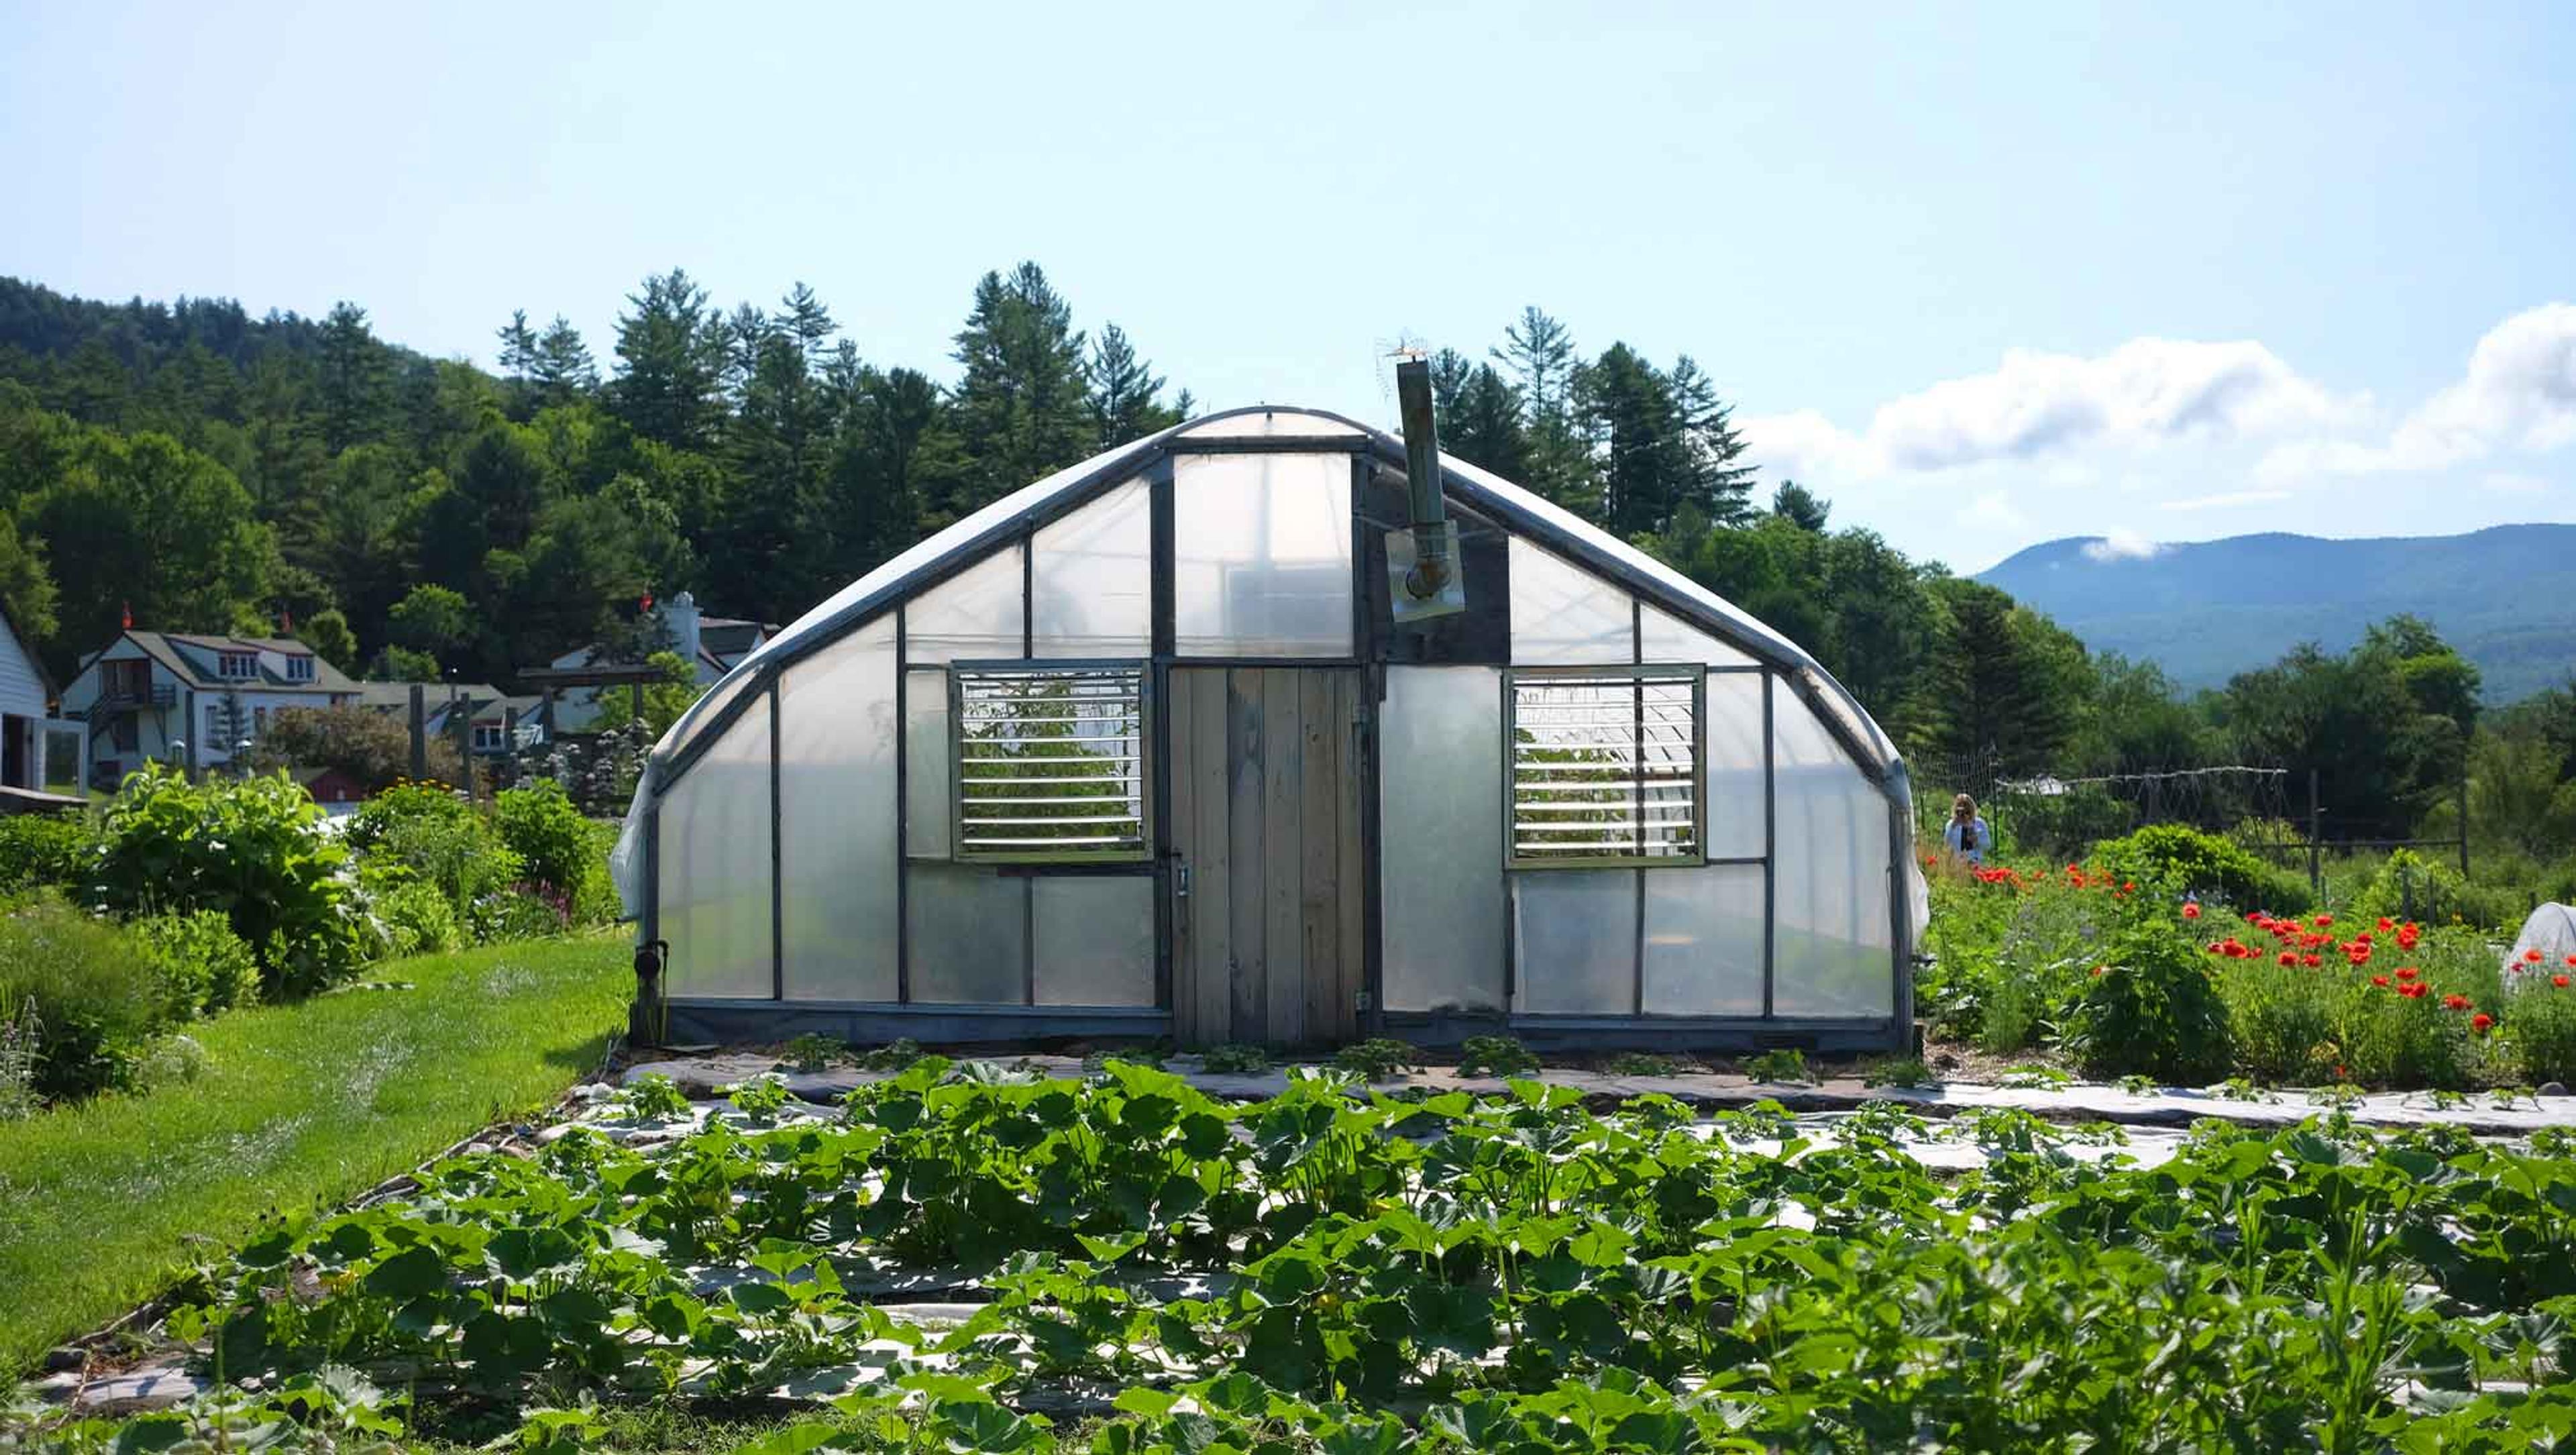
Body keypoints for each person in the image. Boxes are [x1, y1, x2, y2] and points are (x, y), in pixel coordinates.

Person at [1943, 794, 1990, 865]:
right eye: (1960, 806)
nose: (1963, 810)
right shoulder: (1951, 824)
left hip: (1975, 861)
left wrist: (1977, 840)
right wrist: (1953, 826)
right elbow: (1946, 843)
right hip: (1957, 863)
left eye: (1965, 806)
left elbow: (1987, 845)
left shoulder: (1979, 823)